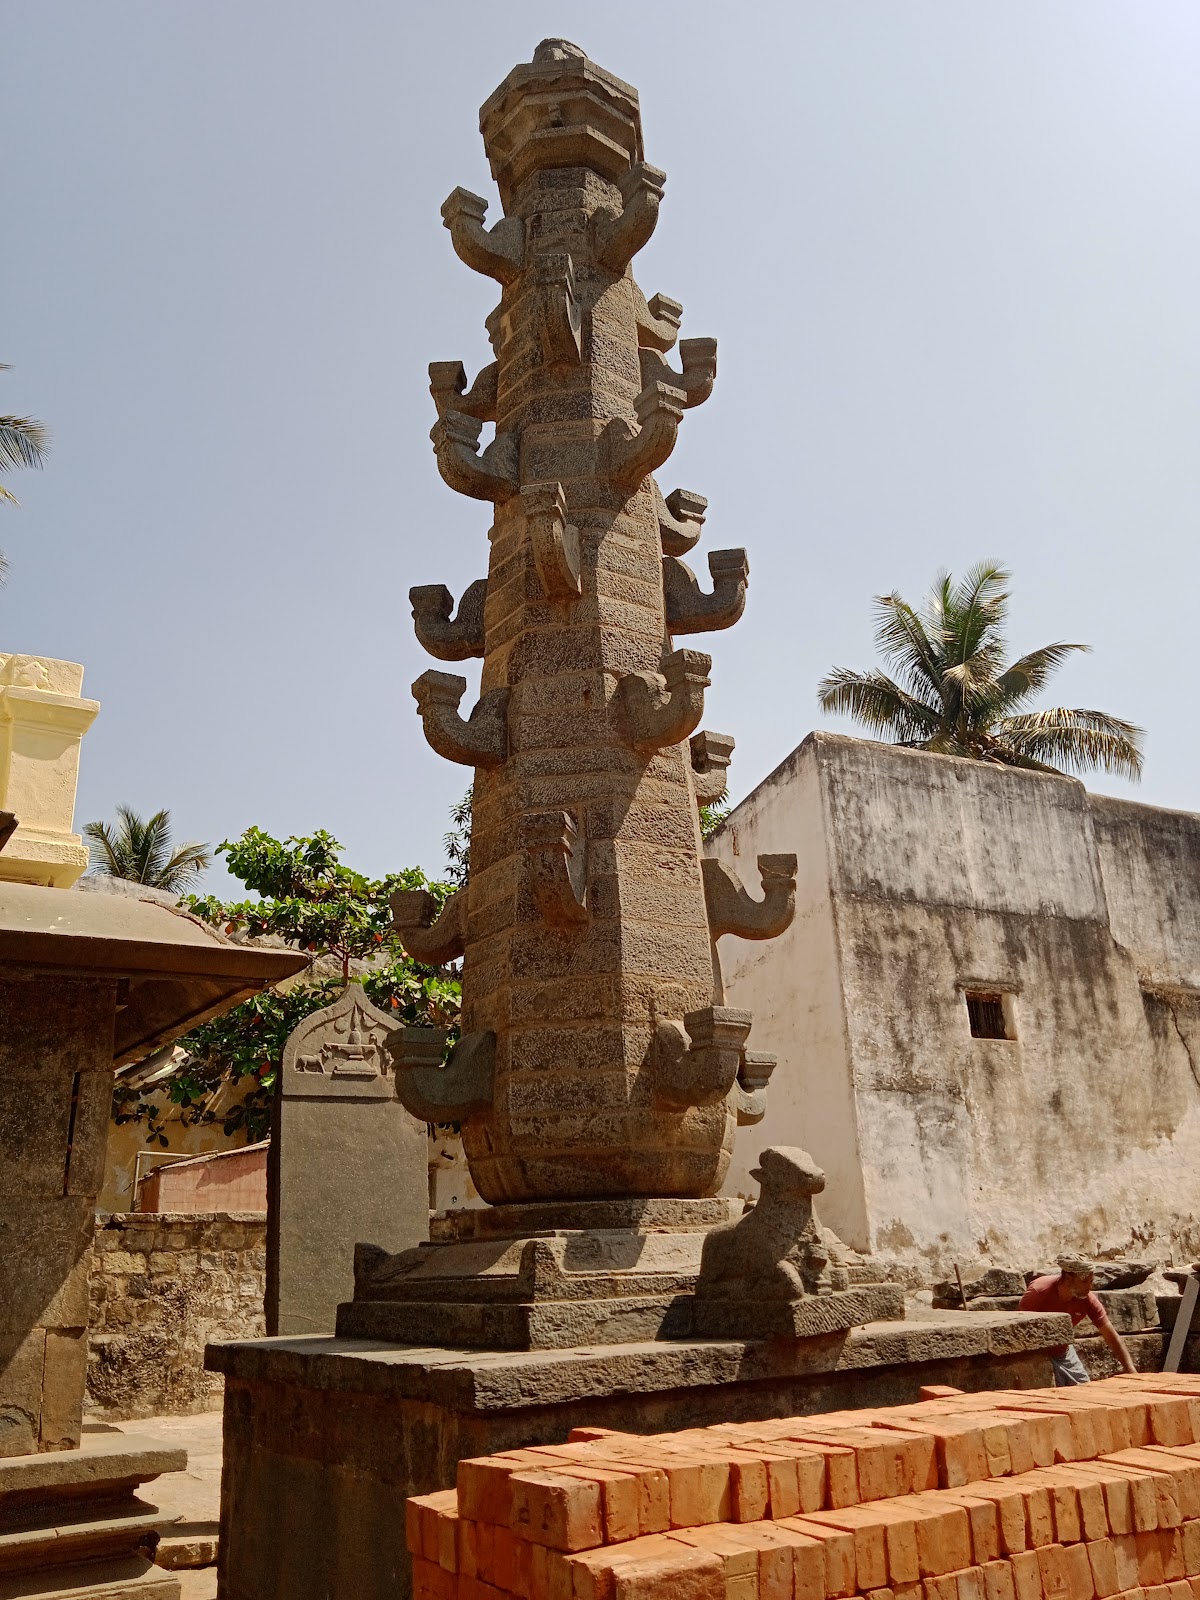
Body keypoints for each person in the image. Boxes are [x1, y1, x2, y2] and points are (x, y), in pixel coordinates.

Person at [1019, 1255, 1136, 1385]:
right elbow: (1020, 1329)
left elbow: (1111, 1337)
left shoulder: (1088, 1300)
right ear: (1068, 1278)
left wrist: (1132, 1373)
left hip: (1064, 1352)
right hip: (1037, 1355)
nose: (1089, 1287)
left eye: (1091, 1281)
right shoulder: (1038, 1292)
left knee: (1085, 1390)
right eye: (1085, 1282)